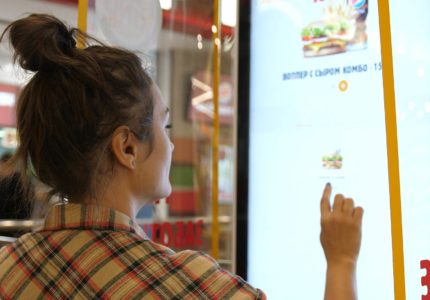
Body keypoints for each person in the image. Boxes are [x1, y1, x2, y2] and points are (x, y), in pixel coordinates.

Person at [0, 14, 363, 299]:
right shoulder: (191, 286)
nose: (171, 146)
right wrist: (342, 261)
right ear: (127, 147)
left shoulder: (8, 268)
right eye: (165, 126)